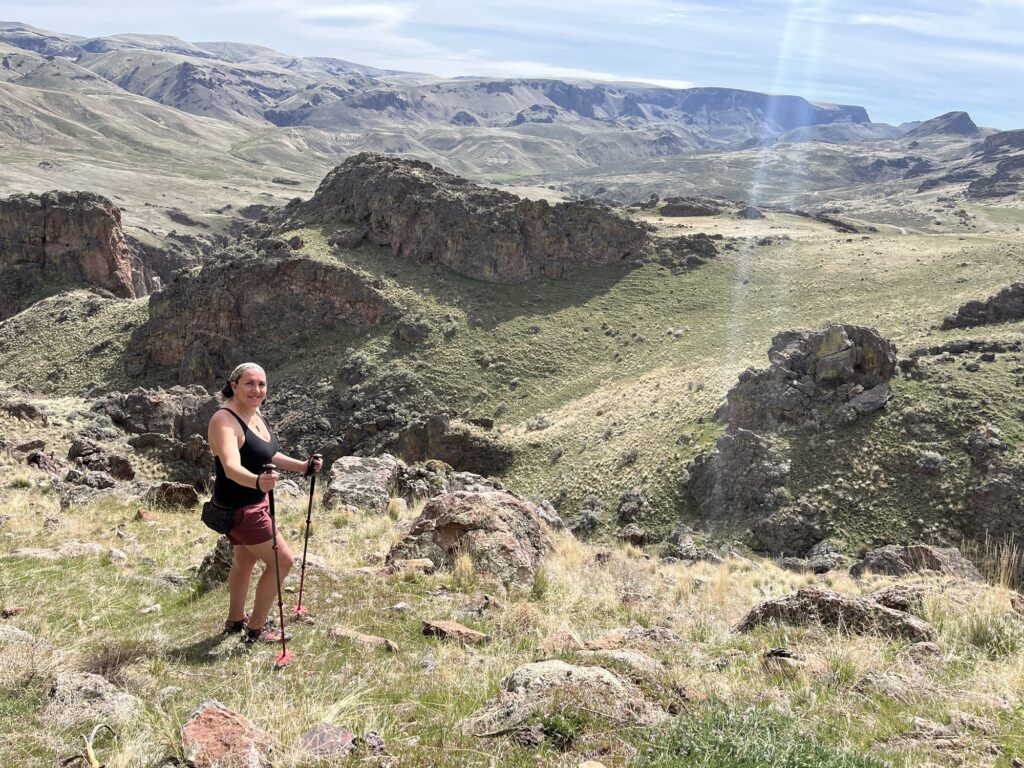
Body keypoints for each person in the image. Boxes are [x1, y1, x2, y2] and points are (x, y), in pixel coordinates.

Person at [207, 362, 323, 645]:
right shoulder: (224, 421)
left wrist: (303, 467)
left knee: (244, 561)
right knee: (283, 560)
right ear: (234, 386)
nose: (256, 390)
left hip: (246, 505)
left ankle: (236, 619)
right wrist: (258, 483)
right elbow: (232, 466)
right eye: (249, 383)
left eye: (261, 384)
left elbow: (267, 454)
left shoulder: (253, 414)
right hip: (242, 509)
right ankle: (257, 628)